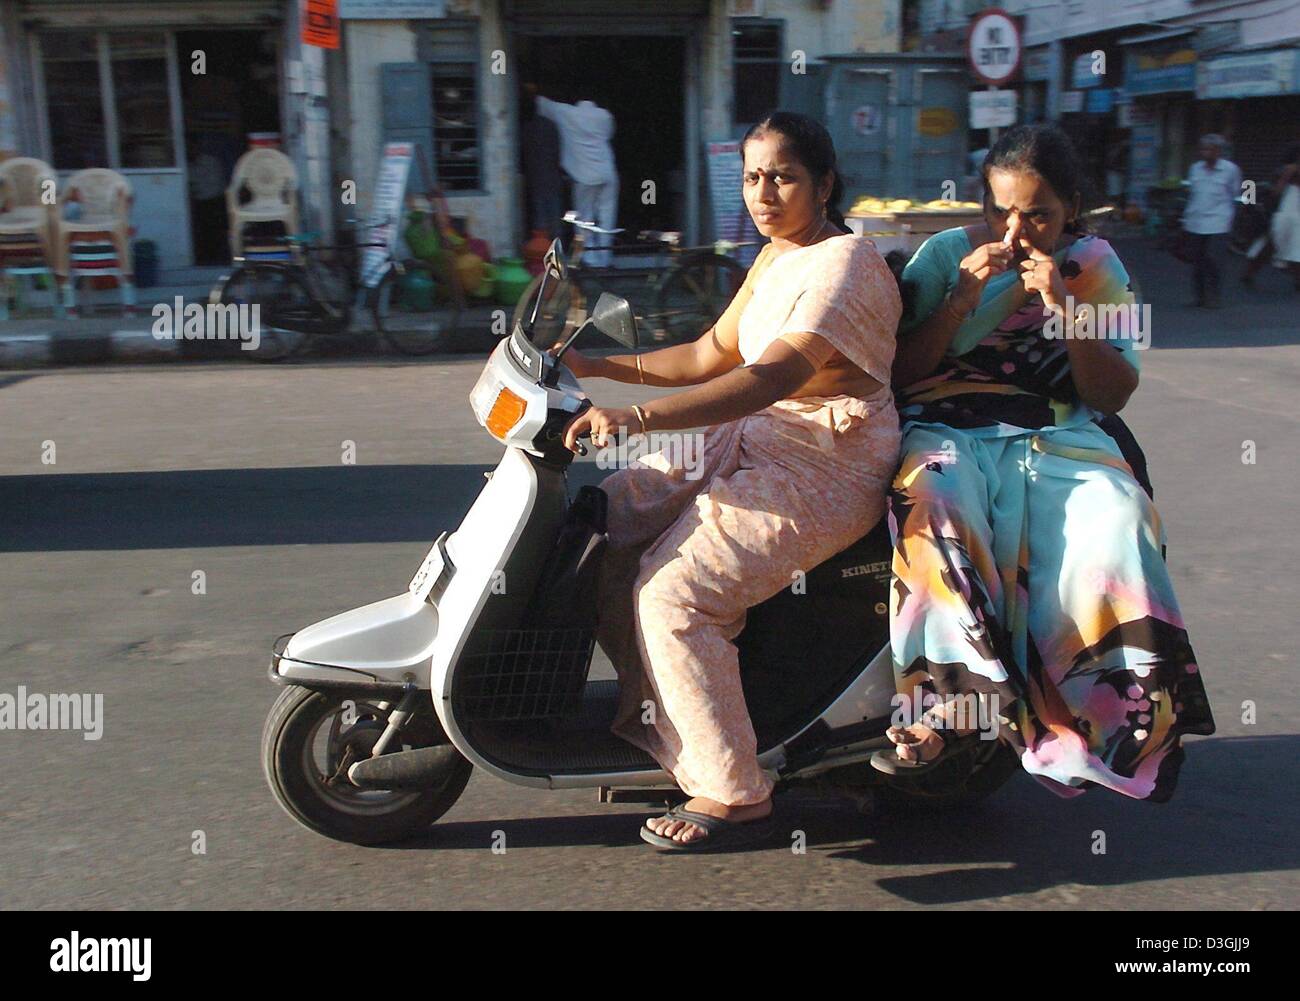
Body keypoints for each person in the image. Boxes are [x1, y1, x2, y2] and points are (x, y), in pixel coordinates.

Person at [557, 112, 902, 850]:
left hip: (822, 462)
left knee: (674, 593)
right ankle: (660, 718)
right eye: (752, 176)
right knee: (606, 517)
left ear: (824, 183)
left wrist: (637, 418)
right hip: (755, 433)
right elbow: (713, 351)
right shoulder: (778, 257)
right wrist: (598, 365)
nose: (764, 192)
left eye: (783, 175)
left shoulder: (844, 264)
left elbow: (766, 378)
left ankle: (733, 787)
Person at [875, 124, 1214, 803]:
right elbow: (900, 371)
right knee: (935, 499)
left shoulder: (1095, 267)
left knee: (1118, 518)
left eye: (1039, 214)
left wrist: (1066, 311)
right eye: (1002, 211)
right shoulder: (946, 255)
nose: (1018, 229)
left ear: (1071, 211)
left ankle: (1121, 723)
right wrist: (955, 306)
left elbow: (1113, 391)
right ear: (982, 207)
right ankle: (951, 705)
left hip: (1057, 432)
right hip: (949, 426)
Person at [528, 83, 619, 267]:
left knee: (585, 219)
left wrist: (530, 88)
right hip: (608, 173)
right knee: (607, 217)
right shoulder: (605, 116)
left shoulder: (566, 113)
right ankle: (605, 258)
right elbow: (609, 135)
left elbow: (541, 103)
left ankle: (591, 260)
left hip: (584, 176)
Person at [1181, 134, 1242, 308]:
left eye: (1209, 149)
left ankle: (1214, 294)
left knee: (1213, 259)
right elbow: (1192, 193)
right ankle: (1200, 297)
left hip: (1219, 221)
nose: (1205, 152)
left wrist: (1237, 214)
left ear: (1218, 151)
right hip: (1196, 221)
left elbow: (1237, 192)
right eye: (1203, 149)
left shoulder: (1230, 169)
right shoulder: (1195, 169)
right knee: (1198, 261)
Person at [520, 97, 563, 239]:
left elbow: (524, 155)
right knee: (554, 216)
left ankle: (542, 250)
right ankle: (556, 249)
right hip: (552, 176)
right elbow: (558, 152)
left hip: (535, 178)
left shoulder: (526, 128)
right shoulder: (551, 126)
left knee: (540, 218)